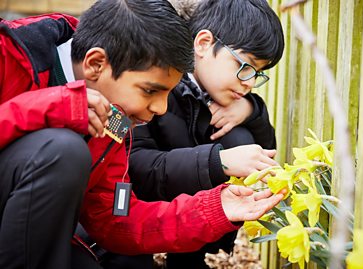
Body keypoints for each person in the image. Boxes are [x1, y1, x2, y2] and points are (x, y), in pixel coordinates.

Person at [0, 1, 284, 269]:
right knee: (64, 150)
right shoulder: (9, 53)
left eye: (167, 94)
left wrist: (217, 208)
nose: (160, 108)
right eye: (150, 91)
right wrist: (49, 107)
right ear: (96, 64)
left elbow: (115, 218)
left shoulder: (116, 120)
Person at [128, 0, 285, 267]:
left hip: (189, 211)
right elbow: (137, 166)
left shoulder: (229, 99)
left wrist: (252, 111)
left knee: (240, 140)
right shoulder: (153, 83)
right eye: (245, 66)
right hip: (135, 209)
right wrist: (218, 161)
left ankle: (194, 255)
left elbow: (264, 149)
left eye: (257, 73)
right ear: (203, 44)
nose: (248, 83)